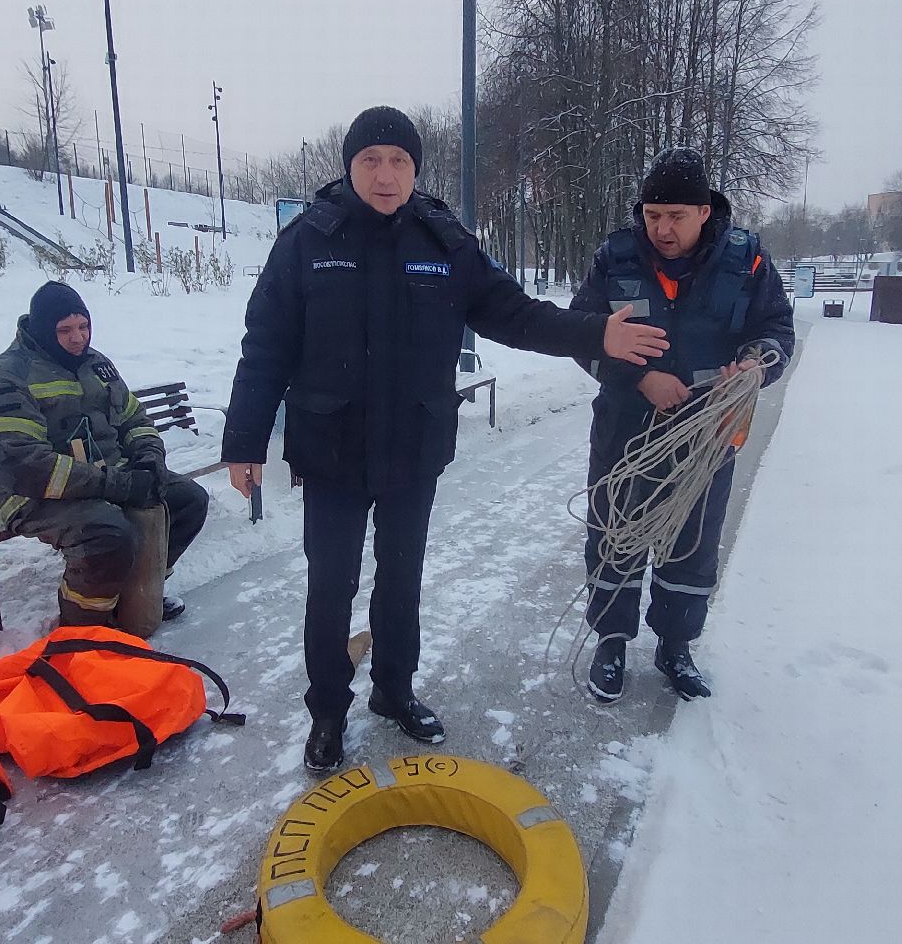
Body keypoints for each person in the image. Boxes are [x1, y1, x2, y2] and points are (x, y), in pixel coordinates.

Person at [221, 106, 671, 771]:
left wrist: (593, 333)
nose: (385, 173)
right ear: (349, 166)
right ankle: (327, 713)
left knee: (401, 582)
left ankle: (394, 692)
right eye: (371, 159)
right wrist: (244, 440)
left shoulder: (445, 242)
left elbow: (512, 314)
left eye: (399, 160)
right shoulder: (307, 242)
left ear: (415, 170)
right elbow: (265, 346)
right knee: (331, 587)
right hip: (333, 450)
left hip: (412, 447)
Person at [569, 147, 794, 701]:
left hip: (706, 432)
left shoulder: (747, 261)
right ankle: (613, 640)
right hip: (625, 426)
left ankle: (675, 645)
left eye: (674, 217)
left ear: (704, 212)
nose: (661, 229)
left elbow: (776, 330)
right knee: (614, 532)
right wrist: (639, 379)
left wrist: (756, 362)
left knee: (692, 539)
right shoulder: (615, 258)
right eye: (651, 216)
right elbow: (580, 333)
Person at [0, 280, 208, 632]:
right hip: (33, 493)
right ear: (42, 330)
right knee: (105, 533)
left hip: (104, 476)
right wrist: (118, 485)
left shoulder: (96, 365)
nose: (78, 338)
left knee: (187, 500)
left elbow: (134, 418)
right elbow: (22, 465)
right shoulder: (5, 378)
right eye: (64, 330)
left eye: (83, 326)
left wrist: (149, 461)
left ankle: (140, 592)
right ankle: (84, 628)